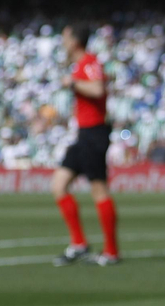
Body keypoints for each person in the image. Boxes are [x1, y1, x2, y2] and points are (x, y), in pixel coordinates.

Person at [51, 24, 120, 266]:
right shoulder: (81, 65)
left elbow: (98, 88)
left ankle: (111, 252)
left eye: (65, 37)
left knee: (99, 190)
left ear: (74, 41)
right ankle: (79, 243)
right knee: (59, 185)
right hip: (83, 135)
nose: (62, 42)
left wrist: (72, 83)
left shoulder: (89, 62)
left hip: (94, 134)